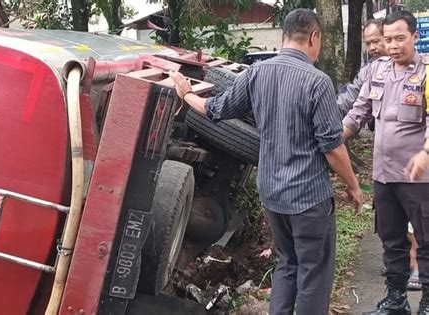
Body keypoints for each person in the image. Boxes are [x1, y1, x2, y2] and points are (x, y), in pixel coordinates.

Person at [169, 9, 363, 315]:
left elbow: (216, 110)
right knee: (314, 273)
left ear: (284, 36)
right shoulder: (317, 81)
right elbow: (332, 147)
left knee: (287, 264)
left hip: (272, 194)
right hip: (308, 198)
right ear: (314, 37)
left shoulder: (256, 73)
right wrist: (353, 186)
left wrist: (186, 93)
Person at [342, 10, 429, 315]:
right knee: (391, 239)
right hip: (384, 176)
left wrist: (425, 152)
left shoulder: (427, 72)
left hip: (419, 178)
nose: (392, 45)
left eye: (399, 38)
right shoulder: (377, 71)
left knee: (426, 239)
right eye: (388, 39)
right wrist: (337, 137)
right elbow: (358, 111)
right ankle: (396, 300)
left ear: (414, 38)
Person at [337, 18, 387, 118]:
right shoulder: (368, 70)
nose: (372, 48)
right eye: (368, 44)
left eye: (376, 41)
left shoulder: (414, 67)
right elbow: (350, 97)